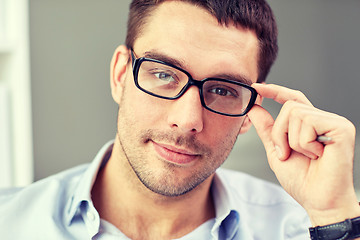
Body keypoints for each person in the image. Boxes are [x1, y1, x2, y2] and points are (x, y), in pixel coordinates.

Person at [1, 0, 359, 239]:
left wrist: (334, 213)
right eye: (164, 74)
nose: (188, 120)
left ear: (250, 112)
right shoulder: (10, 222)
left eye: (222, 90)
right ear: (120, 74)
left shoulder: (306, 229)